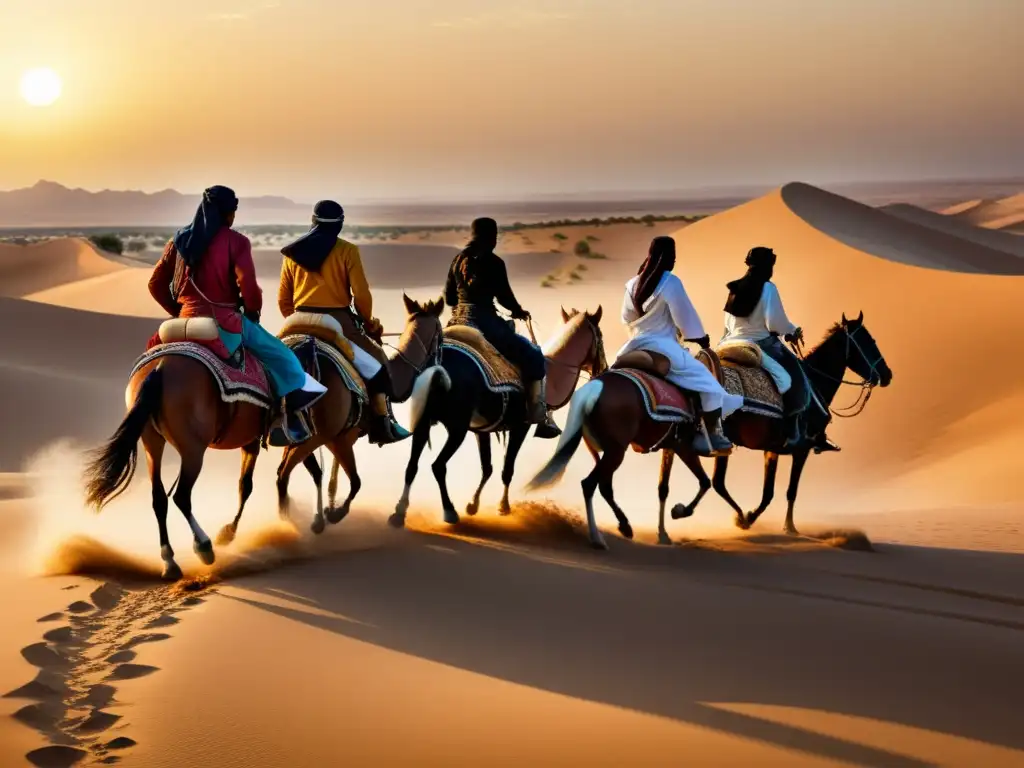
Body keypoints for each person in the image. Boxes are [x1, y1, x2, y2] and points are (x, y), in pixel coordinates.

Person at [148, 185, 326, 445]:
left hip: (180, 324)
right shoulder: (236, 242)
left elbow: (155, 284)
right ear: (227, 213)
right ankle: (286, 420)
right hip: (223, 323)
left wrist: (178, 311)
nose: (233, 217)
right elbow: (249, 287)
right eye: (233, 211)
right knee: (284, 356)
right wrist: (252, 310)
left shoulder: (177, 242)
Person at [277, 200, 410, 445]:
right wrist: (368, 322)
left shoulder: (291, 254)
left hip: (296, 320)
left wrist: (299, 321)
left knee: (272, 362)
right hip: (337, 321)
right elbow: (361, 295)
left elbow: (283, 299)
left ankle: (271, 420)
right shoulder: (347, 251)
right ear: (339, 224)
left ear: (313, 221)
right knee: (378, 365)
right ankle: (383, 422)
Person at [617, 236, 741, 455]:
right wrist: (700, 338)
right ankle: (711, 436)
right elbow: (685, 317)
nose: (674, 262)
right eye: (673, 257)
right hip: (664, 346)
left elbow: (625, 317)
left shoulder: (631, 284)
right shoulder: (670, 281)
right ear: (667, 257)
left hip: (632, 346)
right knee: (708, 384)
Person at [444, 217, 560, 439]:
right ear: (492, 238)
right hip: (484, 322)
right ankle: (538, 413)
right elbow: (505, 296)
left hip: (457, 321)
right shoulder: (495, 262)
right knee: (534, 355)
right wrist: (518, 311)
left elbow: (450, 298)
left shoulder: (457, 260)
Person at [722, 246, 838, 452]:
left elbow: (728, 322)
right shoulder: (767, 288)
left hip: (729, 343)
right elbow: (776, 324)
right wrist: (793, 331)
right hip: (759, 344)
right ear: (768, 266)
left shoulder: (734, 288)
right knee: (796, 377)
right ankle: (794, 428)